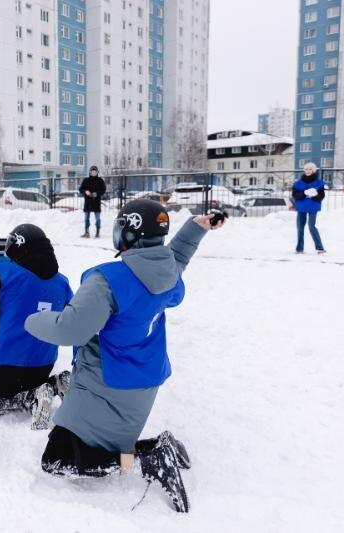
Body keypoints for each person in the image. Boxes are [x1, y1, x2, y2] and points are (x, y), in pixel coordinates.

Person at [24, 200, 226, 513]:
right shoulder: (166, 276)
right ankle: (151, 450)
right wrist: (195, 229)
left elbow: (70, 331)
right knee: (80, 441)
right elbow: (175, 260)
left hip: (108, 385)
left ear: (128, 233)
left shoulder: (108, 281)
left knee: (57, 459)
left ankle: (149, 458)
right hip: (143, 383)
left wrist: (31, 320)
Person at [0, 211, 73, 430]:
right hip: (43, 364)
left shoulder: (6, 274)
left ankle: (29, 398)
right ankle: (53, 383)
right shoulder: (62, 283)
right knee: (4, 380)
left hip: (9, 366)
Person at [291, 162, 326, 254]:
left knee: (311, 226)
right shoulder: (298, 183)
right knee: (300, 228)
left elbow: (321, 196)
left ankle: (320, 248)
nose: (307, 171)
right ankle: (299, 249)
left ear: (314, 171)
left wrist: (314, 194)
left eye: (310, 169)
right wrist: (304, 193)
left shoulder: (319, 183)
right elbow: (294, 195)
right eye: (306, 169)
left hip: (313, 207)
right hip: (301, 207)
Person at [79, 165, 106, 238]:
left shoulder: (100, 180)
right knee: (86, 218)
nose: (93, 173)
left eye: (95, 171)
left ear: (97, 172)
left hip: (96, 202)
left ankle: (97, 232)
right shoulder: (86, 180)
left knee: (98, 219)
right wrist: (85, 192)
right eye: (92, 171)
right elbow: (81, 189)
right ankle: (86, 232)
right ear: (90, 172)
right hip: (88, 203)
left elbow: (103, 190)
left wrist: (97, 193)